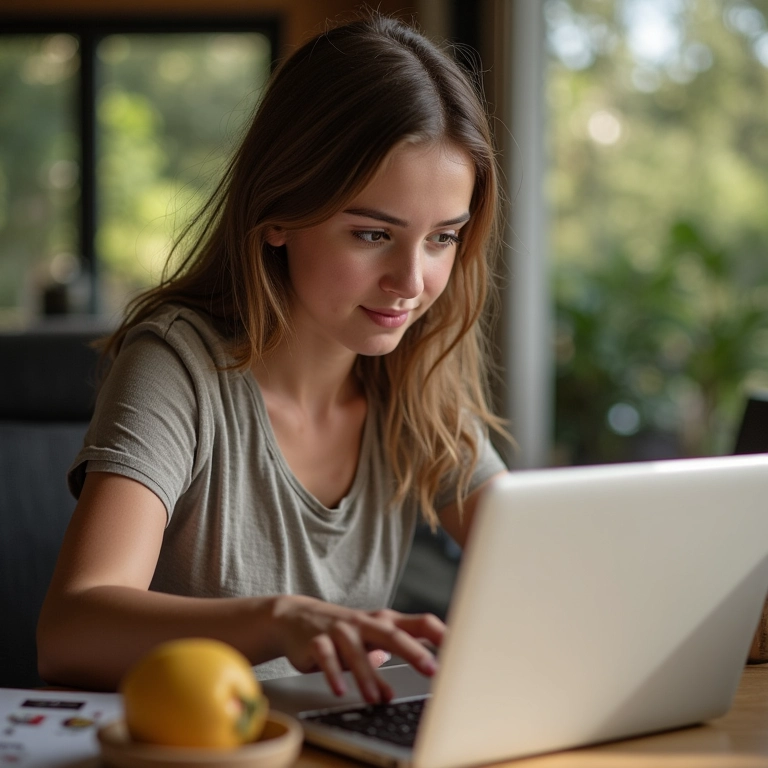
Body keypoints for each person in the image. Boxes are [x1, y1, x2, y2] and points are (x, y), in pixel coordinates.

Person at [37, 12, 509, 703]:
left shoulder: (415, 379)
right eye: (374, 233)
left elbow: (547, 567)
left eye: (442, 238)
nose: (412, 283)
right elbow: (69, 632)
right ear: (279, 214)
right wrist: (278, 620)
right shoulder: (178, 366)